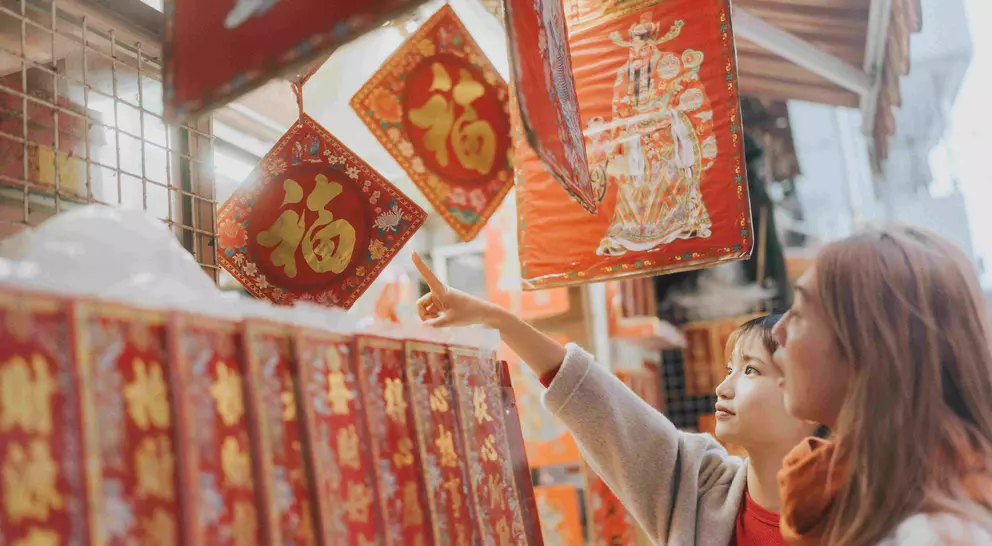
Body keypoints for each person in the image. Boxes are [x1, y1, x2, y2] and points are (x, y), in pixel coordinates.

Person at [412, 253, 817, 545]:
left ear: (811, 395)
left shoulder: (863, 518)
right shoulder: (700, 489)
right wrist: (496, 319)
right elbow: (601, 405)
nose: (723, 387)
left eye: (750, 370)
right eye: (730, 369)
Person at [771, 225, 992, 545]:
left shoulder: (934, 536)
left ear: (865, 347)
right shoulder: (862, 500)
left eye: (801, 312)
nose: (778, 330)